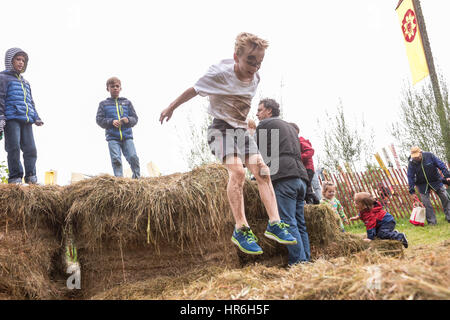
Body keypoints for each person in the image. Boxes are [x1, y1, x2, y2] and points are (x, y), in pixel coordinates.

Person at [159, 32, 296, 255]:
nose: (254, 67)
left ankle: (275, 223)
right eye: (250, 61)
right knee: (238, 173)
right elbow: (193, 90)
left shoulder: (256, 77)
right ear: (236, 57)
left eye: (259, 63)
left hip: (241, 131)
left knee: (263, 171)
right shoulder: (219, 73)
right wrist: (171, 107)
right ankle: (241, 228)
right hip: (220, 129)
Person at [255, 98, 311, 265]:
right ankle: (306, 259)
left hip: (284, 177)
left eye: (259, 110)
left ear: (269, 111)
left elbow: (258, 152)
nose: (257, 114)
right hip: (301, 178)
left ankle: (298, 262)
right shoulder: (289, 127)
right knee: (300, 223)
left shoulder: (265, 125)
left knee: (287, 221)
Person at [0, 48, 44, 184]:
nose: (21, 63)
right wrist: (1, 116)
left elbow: (30, 102)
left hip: (27, 120)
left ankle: (31, 177)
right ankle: (15, 177)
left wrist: (36, 116)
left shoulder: (26, 82)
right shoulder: (2, 78)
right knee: (13, 148)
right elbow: (0, 98)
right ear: (10, 61)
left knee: (31, 149)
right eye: (18, 59)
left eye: (23, 60)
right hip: (12, 118)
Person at [96, 77, 140, 179]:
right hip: (112, 138)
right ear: (108, 89)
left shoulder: (127, 103)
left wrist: (128, 120)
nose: (115, 88)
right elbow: (99, 120)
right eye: (112, 86)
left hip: (127, 136)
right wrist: (111, 122)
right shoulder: (103, 104)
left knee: (133, 157)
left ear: (120, 88)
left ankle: (137, 179)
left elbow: (135, 119)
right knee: (116, 159)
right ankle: (119, 180)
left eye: (117, 86)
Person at [407, 146, 450, 225]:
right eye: (414, 157)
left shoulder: (429, 155)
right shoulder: (411, 162)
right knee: (426, 203)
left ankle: (449, 217)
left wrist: (447, 176)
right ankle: (432, 222)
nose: (416, 158)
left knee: (445, 198)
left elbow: (441, 165)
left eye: (417, 156)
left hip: (435, 181)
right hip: (422, 184)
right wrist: (412, 191)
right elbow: (410, 176)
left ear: (421, 152)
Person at [289, 122, 320, 204]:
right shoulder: (294, 143)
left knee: (305, 186)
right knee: (306, 186)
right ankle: (310, 202)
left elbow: (310, 151)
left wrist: (299, 158)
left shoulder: (300, 141)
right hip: (303, 168)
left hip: (307, 168)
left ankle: (315, 200)